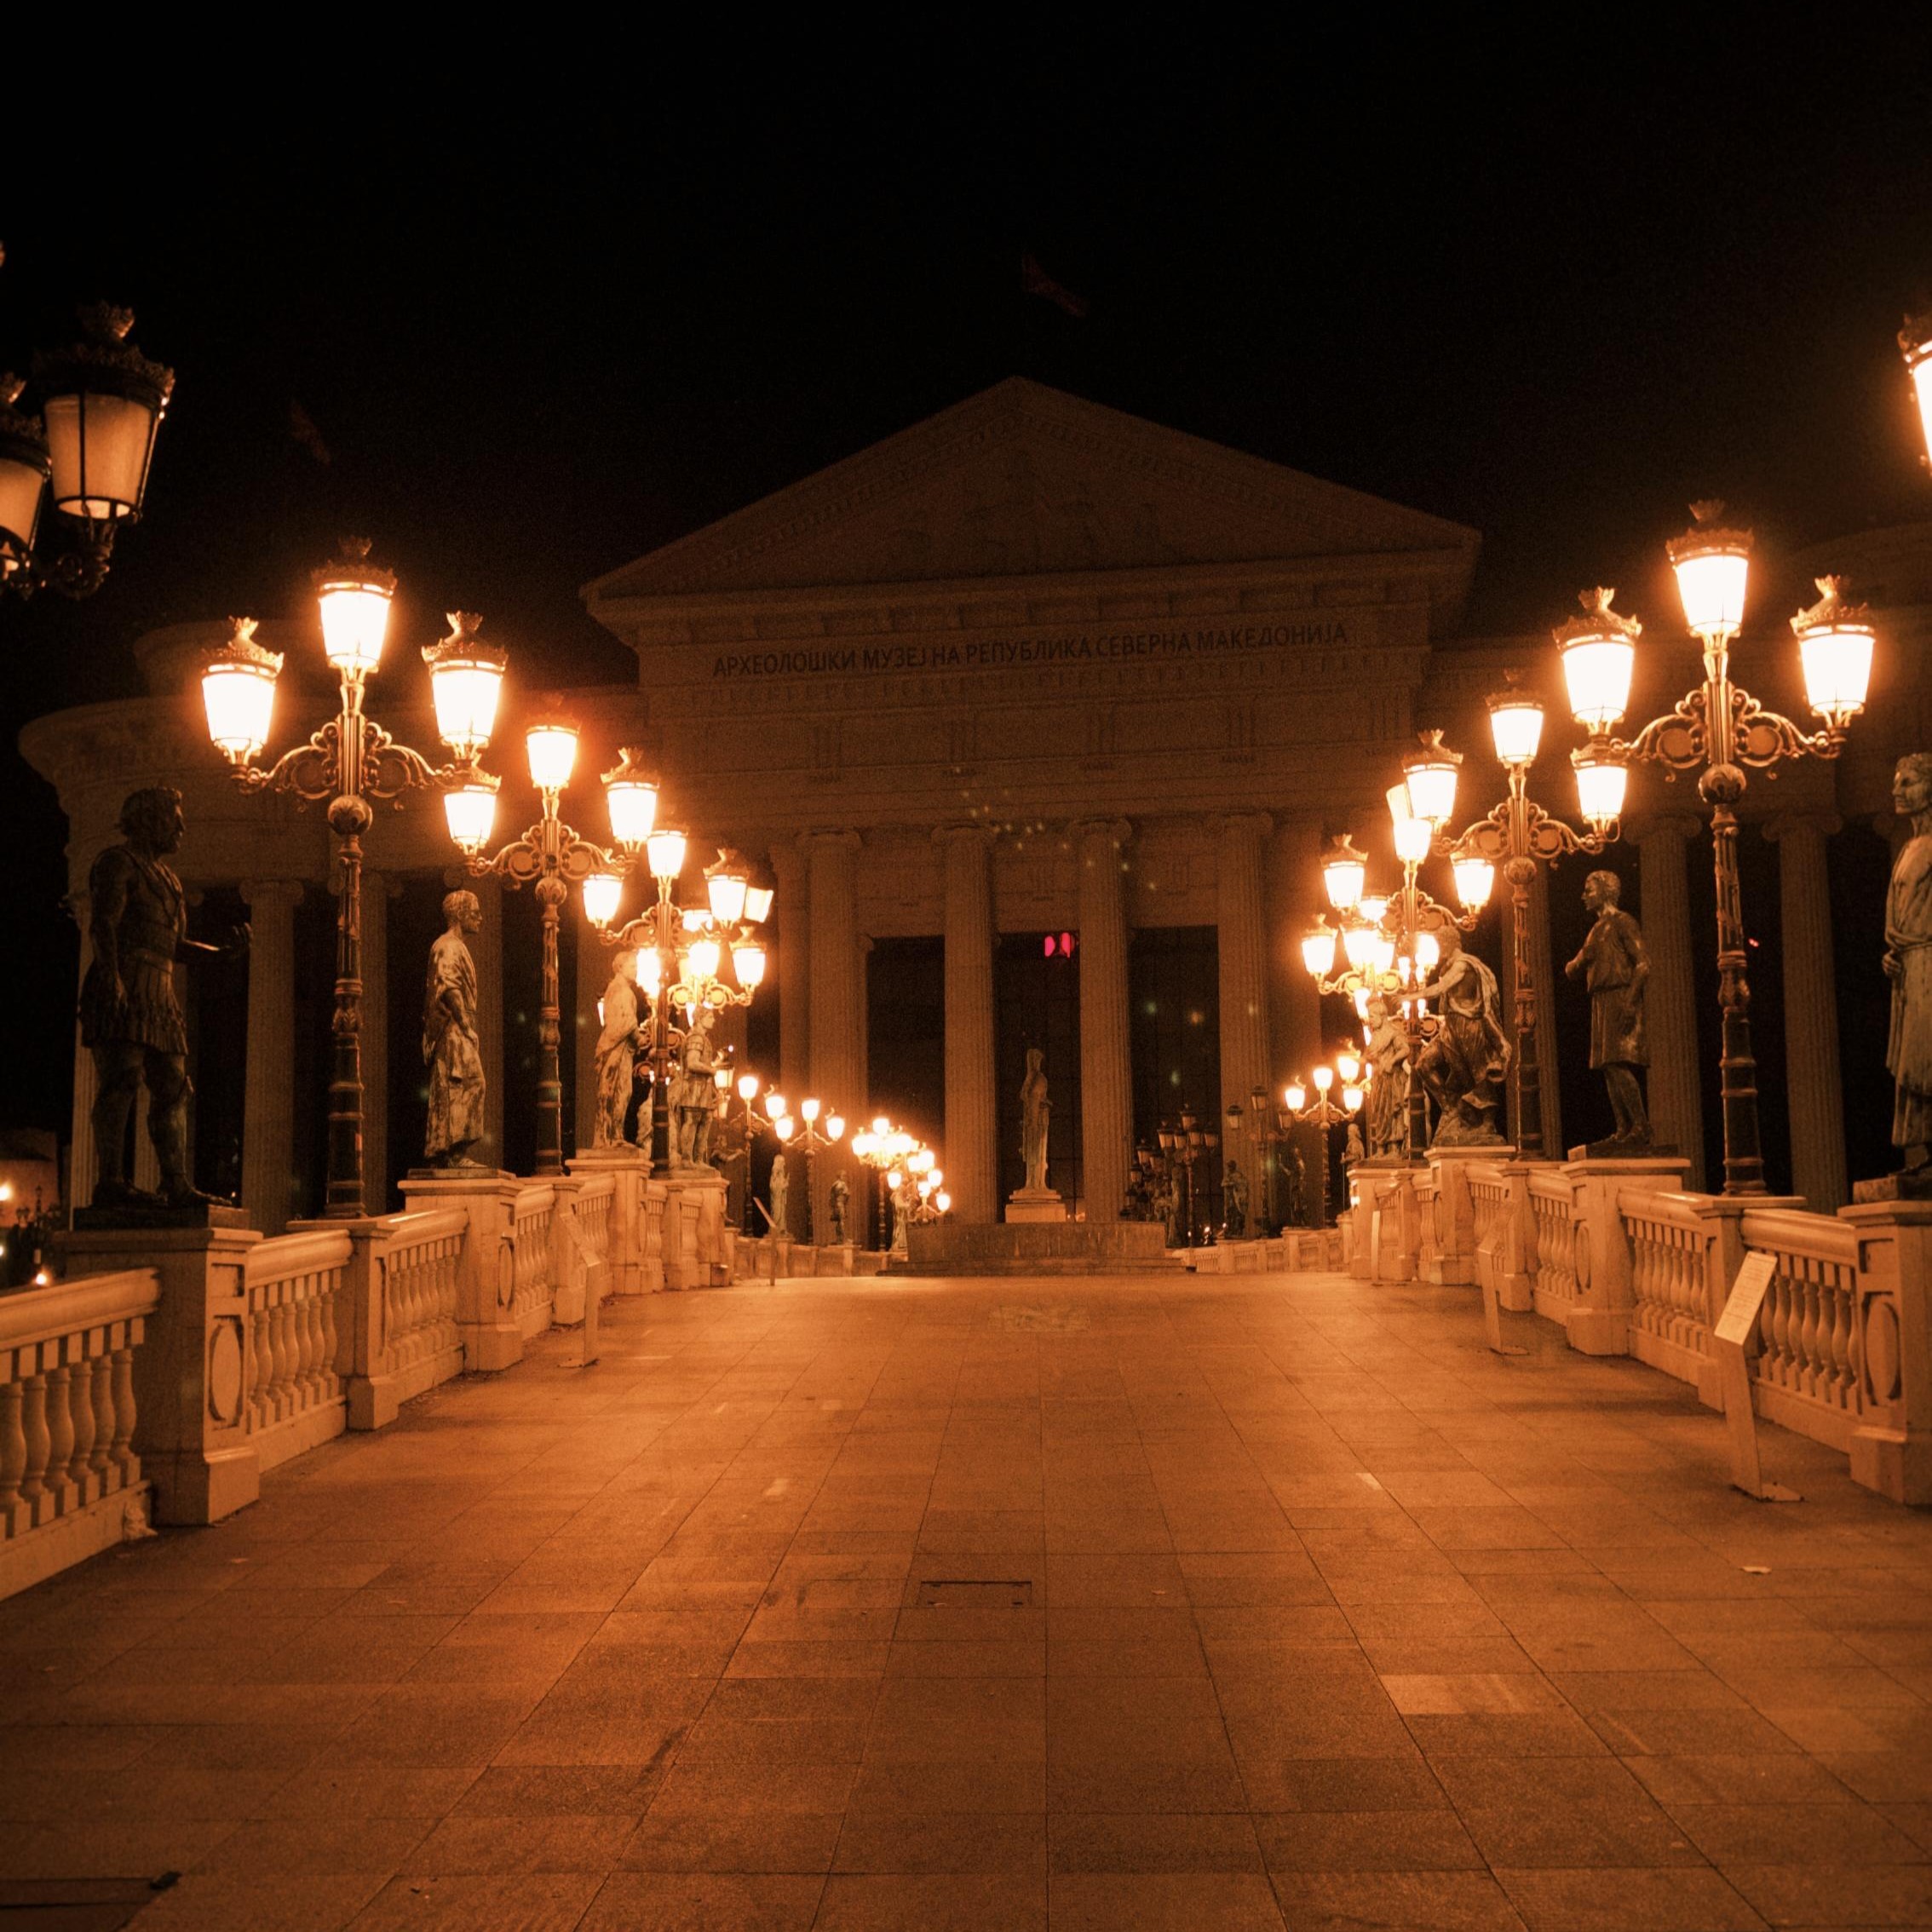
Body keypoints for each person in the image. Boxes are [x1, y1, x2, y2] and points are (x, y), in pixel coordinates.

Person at [80, 786, 239, 1210]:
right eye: (174, 817)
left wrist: (219, 954)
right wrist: (113, 977)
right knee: (122, 1081)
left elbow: (174, 945)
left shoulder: (169, 880)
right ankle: (110, 1182)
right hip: (125, 981)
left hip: (160, 988)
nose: (182, 826)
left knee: (173, 1087)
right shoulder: (117, 863)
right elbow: (104, 926)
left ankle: (175, 1183)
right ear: (150, 820)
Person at [1564, 869, 1652, 1147]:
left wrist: (1630, 1001)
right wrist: (1576, 964)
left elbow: (1642, 963)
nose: (1584, 896)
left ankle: (1640, 1126)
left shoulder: (1622, 922)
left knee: (1616, 1062)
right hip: (1601, 999)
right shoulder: (1597, 929)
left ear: (1605, 891)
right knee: (1607, 1066)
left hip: (1619, 996)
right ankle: (1624, 1127)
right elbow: (1575, 966)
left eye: (1589, 890)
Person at [1413, 929, 1509, 1146]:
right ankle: (1450, 1107)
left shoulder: (1464, 965)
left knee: (1479, 1073)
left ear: (1448, 943)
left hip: (1469, 1024)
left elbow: (1441, 988)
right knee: (1423, 1065)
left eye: (1439, 945)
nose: (1437, 951)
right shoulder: (1450, 967)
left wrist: (1411, 996)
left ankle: (1487, 1123)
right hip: (1450, 1026)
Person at [1884, 752, 1932, 1175]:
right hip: (1912, 967)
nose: (1897, 790)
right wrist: (1895, 953)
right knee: (1914, 1064)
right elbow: (1901, 917)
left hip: (1928, 966)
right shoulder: (1909, 848)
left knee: (1926, 1058)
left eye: (1909, 782)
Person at [424, 889, 487, 1166]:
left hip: (458, 1027)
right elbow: (448, 986)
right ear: (460, 915)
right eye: (475, 913)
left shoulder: (456, 946)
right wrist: (464, 1024)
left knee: (468, 1085)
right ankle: (453, 1153)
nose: (480, 918)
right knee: (461, 1085)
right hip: (451, 1029)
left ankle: (455, 1152)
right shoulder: (447, 946)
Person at [593, 949, 646, 1149]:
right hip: (615, 1047)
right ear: (621, 967)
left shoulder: (617, 989)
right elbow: (626, 1022)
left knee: (620, 1091)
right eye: (633, 967)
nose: (636, 971)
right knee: (617, 1091)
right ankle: (612, 1138)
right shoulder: (622, 990)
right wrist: (638, 1037)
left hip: (619, 1046)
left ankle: (614, 1135)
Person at [1020, 1047, 1050, 1191]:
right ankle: (1033, 1183)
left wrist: (1033, 1120)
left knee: (1037, 1151)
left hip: (1037, 1122)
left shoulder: (1037, 1078)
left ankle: (1037, 1183)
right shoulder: (1033, 1078)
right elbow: (1031, 1097)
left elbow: (1034, 1097)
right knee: (1033, 1152)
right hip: (1033, 1122)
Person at [769, 1150, 791, 1239]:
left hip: (781, 1199)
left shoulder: (781, 1175)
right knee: (777, 1213)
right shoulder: (775, 1175)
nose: (784, 1164)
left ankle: (782, 1229)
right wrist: (784, 1185)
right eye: (783, 1162)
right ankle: (776, 1229)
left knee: (782, 1213)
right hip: (777, 1199)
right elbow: (773, 1188)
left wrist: (785, 1182)